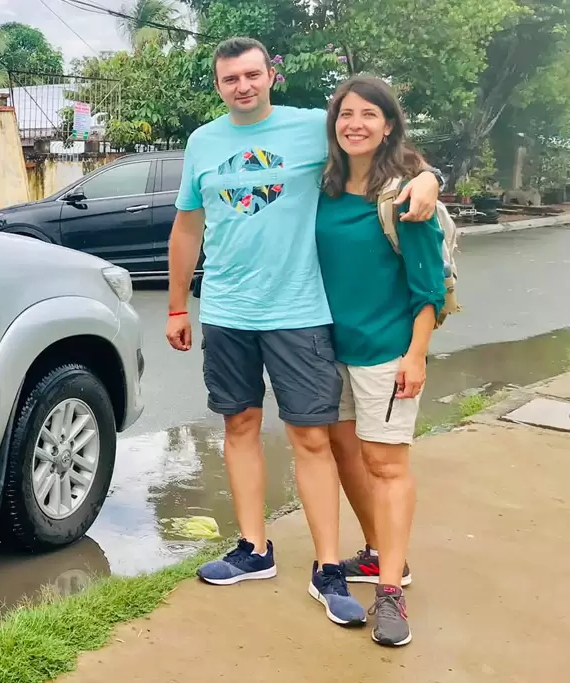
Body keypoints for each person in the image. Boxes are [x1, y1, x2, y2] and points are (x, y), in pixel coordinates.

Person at [164, 37, 441, 627]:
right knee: (237, 424)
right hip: (228, 311)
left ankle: (327, 566)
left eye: (251, 75)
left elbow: (376, 146)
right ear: (219, 85)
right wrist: (175, 307)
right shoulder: (203, 142)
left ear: (271, 76)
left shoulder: (313, 126)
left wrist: (430, 178)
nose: (242, 86)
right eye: (229, 78)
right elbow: (187, 228)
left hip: (297, 311)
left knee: (311, 437)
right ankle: (253, 548)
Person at [315, 74, 445, 647]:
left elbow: (429, 289)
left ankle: (390, 591)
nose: (356, 124)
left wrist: (415, 355)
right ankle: (377, 553)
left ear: (388, 124)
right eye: (346, 114)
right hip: (327, 349)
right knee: (345, 454)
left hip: (386, 353)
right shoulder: (324, 187)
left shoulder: (402, 198)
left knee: (387, 466)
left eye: (369, 114)